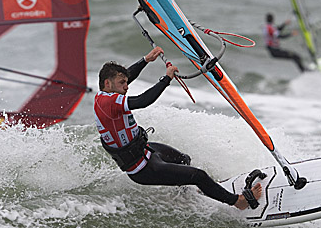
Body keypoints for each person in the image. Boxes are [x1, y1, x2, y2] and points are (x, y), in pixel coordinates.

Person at [93, 47, 263, 210]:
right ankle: (238, 202)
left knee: (183, 159)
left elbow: (126, 77)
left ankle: (184, 196)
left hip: (145, 152)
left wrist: (146, 60)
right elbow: (143, 101)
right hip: (142, 168)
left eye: (126, 81)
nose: (127, 86)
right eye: (122, 83)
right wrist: (166, 79)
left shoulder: (104, 95)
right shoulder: (109, 102)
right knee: (199, 175)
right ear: (107, 83)